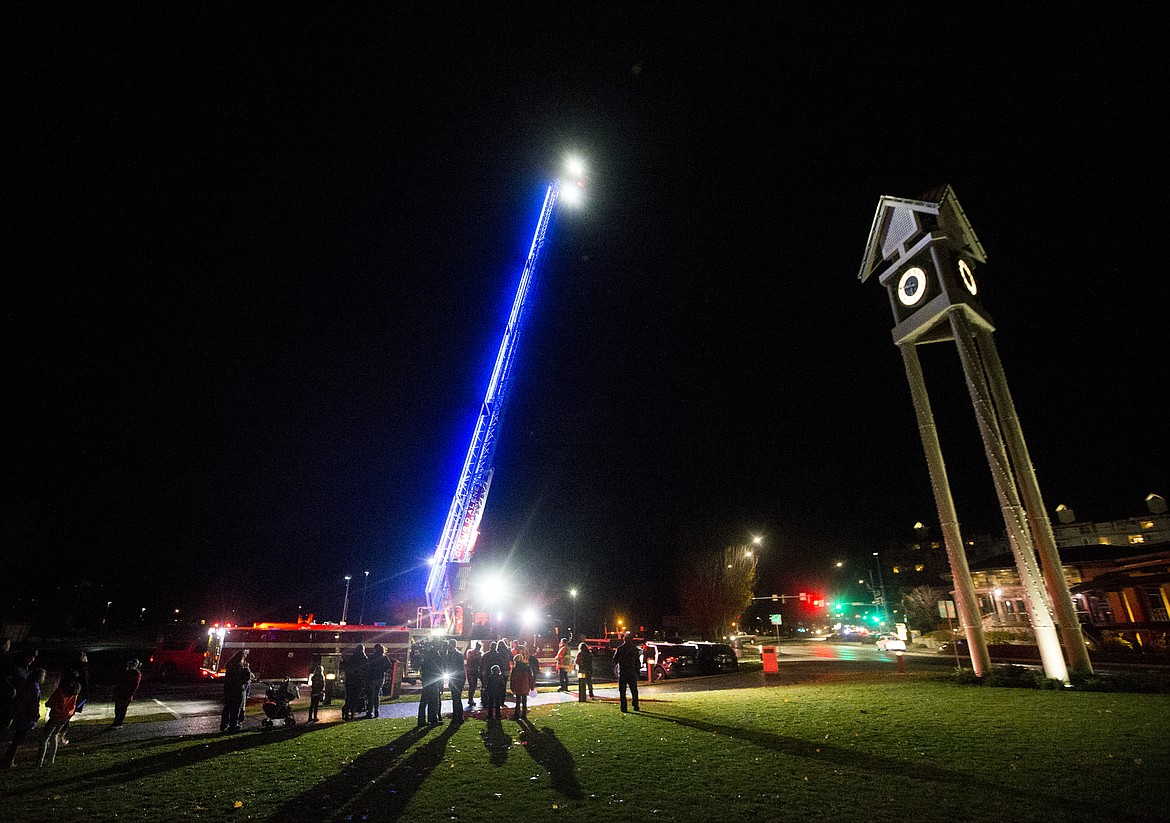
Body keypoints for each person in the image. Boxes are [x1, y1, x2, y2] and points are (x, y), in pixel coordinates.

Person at [2, 668, 45, 768]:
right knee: (18, 739)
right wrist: (35, 716)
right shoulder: (35, 688)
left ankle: (7, 759)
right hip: (27, 716)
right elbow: (34, 704)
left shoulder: (26, 684)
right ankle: (9, 761)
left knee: (16, 738)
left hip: (20, 713)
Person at [38, 678, 80, 766]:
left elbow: (51, 702)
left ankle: (39, 761)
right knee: (54, 736)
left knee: (45, 738)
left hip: (55, 716)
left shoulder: (60, 692)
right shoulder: (74, 695)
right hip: (64, 718)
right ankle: (51, 760)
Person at [219, 652, 248, 732]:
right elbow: (245, 678)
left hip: (228, 689)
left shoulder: (230, 665)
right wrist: (246, 668)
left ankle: (223, 724)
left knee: (227, 707)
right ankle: (233, 725)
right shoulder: (240, 667)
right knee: (236, 708)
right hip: (237, 690)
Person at [416, 641, 442, 727]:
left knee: (424, 701)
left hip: (426, 682)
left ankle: (421, 720)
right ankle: (433, 720)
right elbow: (439, 671)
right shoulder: (436, 658)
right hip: (433, 682)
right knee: (433, 702)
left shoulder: (425, 659)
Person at [613, 632, 641, 713]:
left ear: (624, 639)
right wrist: (637, 671)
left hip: (623, 672)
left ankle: (623, 707)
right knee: (634, 690)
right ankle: (635, 705)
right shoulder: (634, 649)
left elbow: (615, 659)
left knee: (622, 691)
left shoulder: (620, 648)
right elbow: (637, 662)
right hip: (632, 671)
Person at [112, 658, 143, 728]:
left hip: (127, 694)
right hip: (120, 692)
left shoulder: (136, 673)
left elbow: (135, 685)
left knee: (122, 708)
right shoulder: (126, 672)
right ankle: (116, 722)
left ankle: (119, 723)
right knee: (117, 708)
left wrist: (130, 694)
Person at [342, 644, 368, 721]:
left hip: (350, 681)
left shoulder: (351, 658)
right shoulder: (364, 658)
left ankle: (346, 713)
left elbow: (347, 669)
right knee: (355, 698)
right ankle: (352, 714)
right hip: (358, 682)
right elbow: (365, 670)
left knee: (348, 698)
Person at [364, 644, 391, 719]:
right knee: (377, 695)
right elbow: (389, 666)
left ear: (375, 649)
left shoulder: (372, 657)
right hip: (380, 677)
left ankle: (370, 712)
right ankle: (377, 711)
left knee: (371, 696)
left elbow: (368, 667)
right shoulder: (384, 657)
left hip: (372, 678)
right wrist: (383, 670)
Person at [442, 640, 465, 724]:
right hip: (454, 679)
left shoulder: (457, 655)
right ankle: (458, 716)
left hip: (457, 679)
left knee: (457, 699)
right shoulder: (450, 655)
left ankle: (458, 716)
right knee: (455, 699)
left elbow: (460, 669)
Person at [510, 645, 533, 720]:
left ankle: (517, 715)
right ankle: (524, 715)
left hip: (518, 687)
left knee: (517, 701)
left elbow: (512, 679)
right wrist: (531, 686)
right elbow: (530, 678)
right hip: (525, 686)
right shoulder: (527, 667)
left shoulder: (515, 669)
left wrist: (512, 687)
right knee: (524, 701)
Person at [464, 641, 482, 708]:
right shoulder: (478, 654)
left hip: (468, 670)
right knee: (473, 686)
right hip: (474, 671)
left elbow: (468, 658)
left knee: (471, 686)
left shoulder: (469, 651)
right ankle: (470, 699)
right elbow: (480, 663)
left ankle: (470, 699)